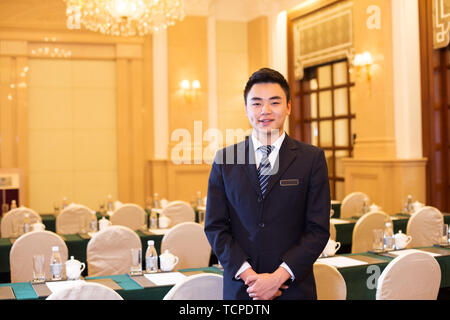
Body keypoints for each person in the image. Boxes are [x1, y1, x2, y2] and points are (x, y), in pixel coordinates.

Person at [204, 68, 330, 300]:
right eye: (257, 103)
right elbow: (215, 227)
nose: (265, 111)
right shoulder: (225, 161)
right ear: (246, 109)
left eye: (274, 102)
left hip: (294, 289)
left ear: (288, 107)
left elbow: (318, 230)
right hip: (243, 290)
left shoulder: (311, 159)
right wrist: (249, 276)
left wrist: (278, 277)